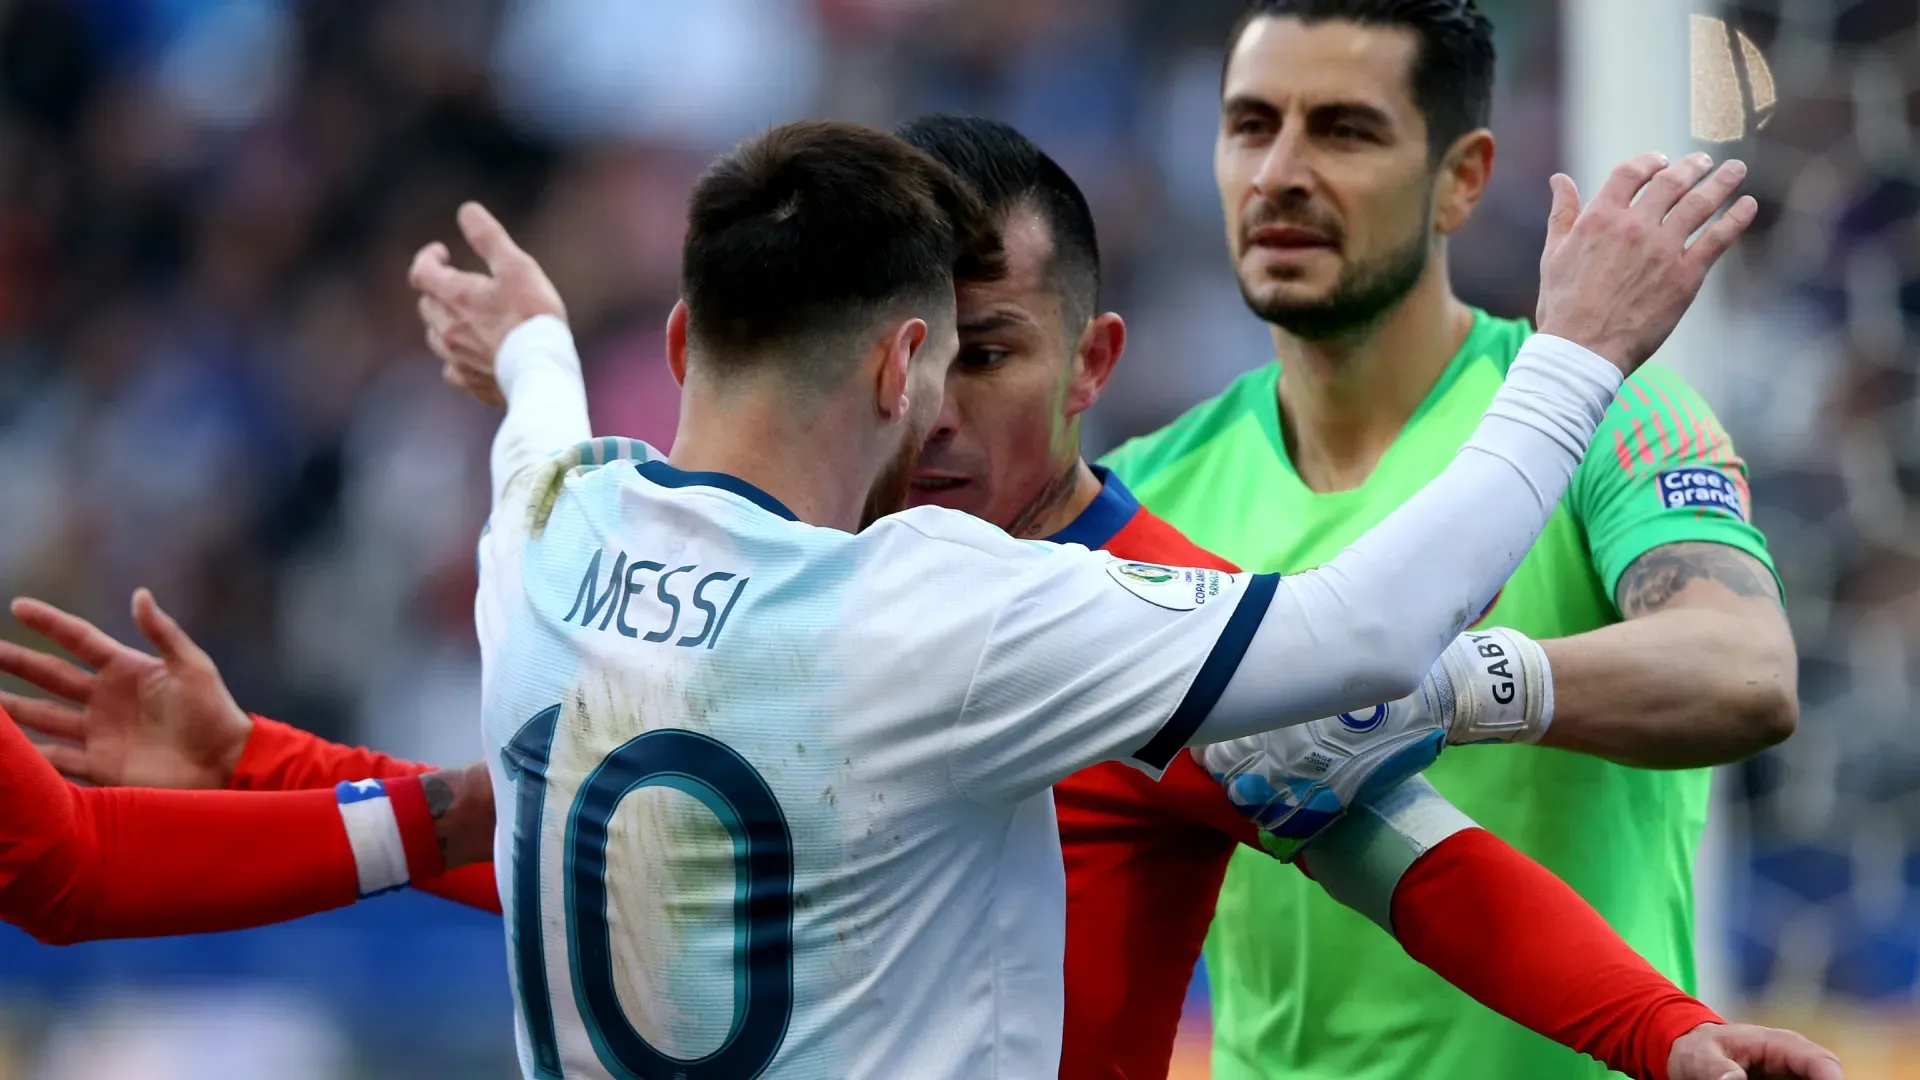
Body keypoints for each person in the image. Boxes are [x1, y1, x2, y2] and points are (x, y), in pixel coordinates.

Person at [0, 120, 1839, 1080]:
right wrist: (1573, 361)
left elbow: (1412, 861)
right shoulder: (932, 614)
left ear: (1093, 364)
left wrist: (1659, 1032)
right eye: (932, 353)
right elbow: (606, 852)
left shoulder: (572, 534)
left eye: (997, 350)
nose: (946, 410)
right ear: (882, 357)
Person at [1094, 4, 1802, 1080]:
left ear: (1462, 178)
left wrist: (1445, 690)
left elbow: (1745, 670)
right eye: (1250, 125)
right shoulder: (1148, 487)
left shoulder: (1608, 413)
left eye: (1344, 130)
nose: (1279, 173)